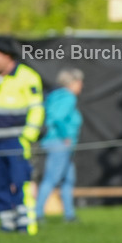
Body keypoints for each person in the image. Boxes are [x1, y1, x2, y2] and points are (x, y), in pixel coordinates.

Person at [0, 36, 44, 234]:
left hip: (16, 141)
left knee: (21, 181)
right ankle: (8, 223)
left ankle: (25, 224)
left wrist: (28, 136)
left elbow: (36, 109)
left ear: (7, 56)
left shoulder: (27, 77)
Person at [34, 68, 85, 224]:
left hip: (57, 142)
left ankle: (69, 215)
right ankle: (36, 214)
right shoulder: (68, 97)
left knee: (68, 179)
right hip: (60, 143)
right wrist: (66, 137)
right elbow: (58, 118)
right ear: (72, 83)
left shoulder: (55, 96)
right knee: (52, 178)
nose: (81, 85)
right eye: (79, 82)